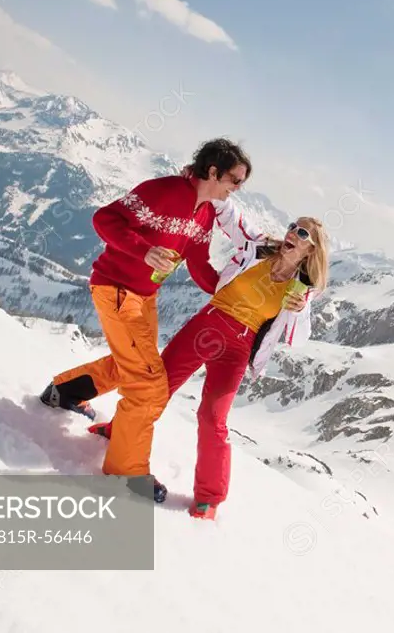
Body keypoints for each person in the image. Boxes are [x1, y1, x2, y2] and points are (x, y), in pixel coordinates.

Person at [39, 138, 276, 502]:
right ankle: (124, 473)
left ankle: (65, 391)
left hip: (145, 297)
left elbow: (197, 261)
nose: (237, 189)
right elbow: (104, 219)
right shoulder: (164, 191)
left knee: (136, 365)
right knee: (149, 386)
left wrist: (228, 294)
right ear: (212, 172)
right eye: (235, 180)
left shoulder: (206, 213)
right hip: (116, 289)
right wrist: (144, 250)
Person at [91, 216, 329, 520]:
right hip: (208, 325)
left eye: (302, 232)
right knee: (158, 386)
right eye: (293, 226)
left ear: (311, 249)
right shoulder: (258, 248)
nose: (292, 232)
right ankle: (118, 432)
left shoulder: (302, 290)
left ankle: (209, 498)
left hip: (238, 348)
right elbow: (230, 216)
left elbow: (297, 339)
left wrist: (301, 309)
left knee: (212, 417)